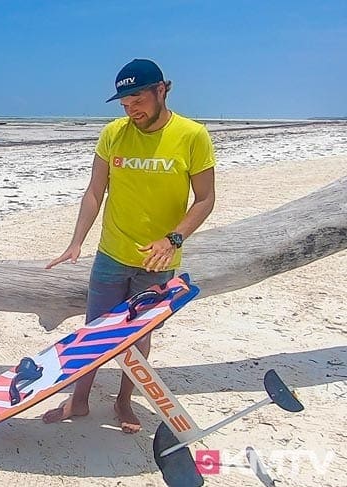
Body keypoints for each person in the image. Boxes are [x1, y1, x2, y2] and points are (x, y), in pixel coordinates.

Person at [42, 59, 216, 433]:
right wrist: (76, 242)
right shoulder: (113, 134)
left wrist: (173, 239)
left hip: (158, 259)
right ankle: (80, 399)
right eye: (124, 102)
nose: (131, 109)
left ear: (162, 89)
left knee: (137, 335)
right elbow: (94, 192)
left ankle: (123, 401)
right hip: (111, 254)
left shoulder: (192, 135)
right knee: (94, 331)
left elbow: (204, 199)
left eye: (137, 98)